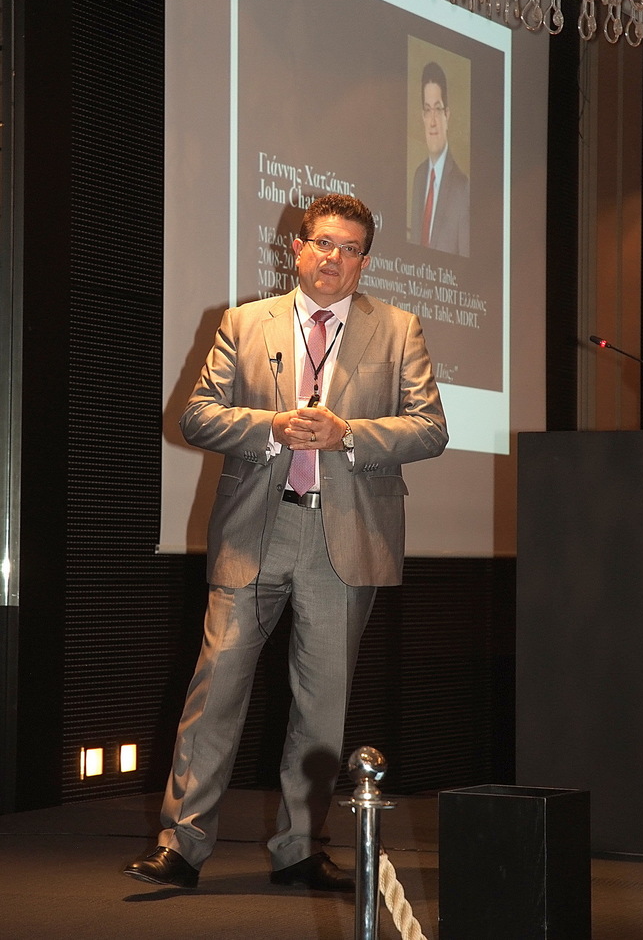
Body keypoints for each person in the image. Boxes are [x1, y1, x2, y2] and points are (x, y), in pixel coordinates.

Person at [124, 193, 448, 892]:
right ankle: (182, 845)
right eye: (323, 242)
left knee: (321, 704)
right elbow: (197, 417)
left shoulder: (397, 328)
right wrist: (269, 426)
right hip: (255, 531)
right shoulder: (244, 322)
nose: (334, 257)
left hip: (345, 535)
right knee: (216, 687)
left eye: (350, 248)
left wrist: (348, 433)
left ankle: (300, 846)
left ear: (365, 262)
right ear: (296, 249)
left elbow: (430, 427)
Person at [410, 61, 469, 257]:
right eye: (428, 110)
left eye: (438, 109)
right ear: (423, 116)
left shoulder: (462, 187)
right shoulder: (419, 176)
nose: (433, 121)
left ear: (447, 115)